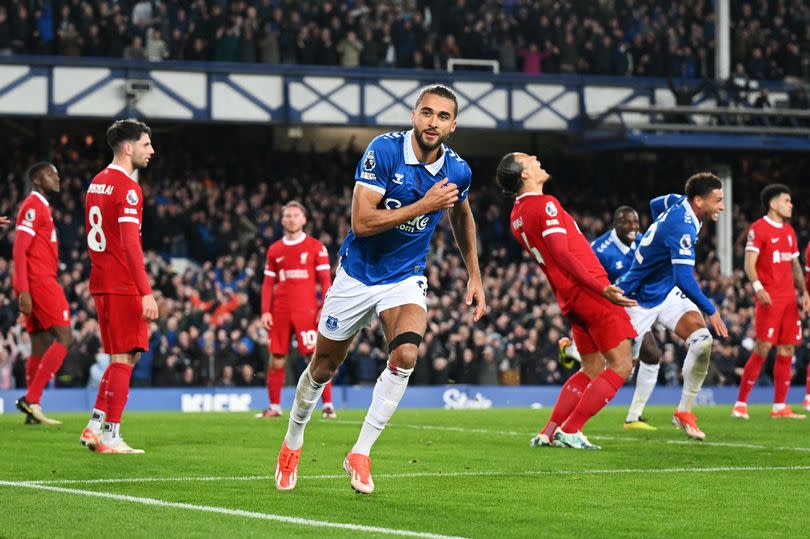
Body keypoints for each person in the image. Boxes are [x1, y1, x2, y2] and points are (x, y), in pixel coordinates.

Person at [274, 84, 486, 494]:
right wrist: (423, 206)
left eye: (443, 117)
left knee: (406, 354)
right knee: (322, 367)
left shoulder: (458, 171)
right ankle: (292, 441)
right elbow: (362, 223)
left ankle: (360, 452)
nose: (433, 122)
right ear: (413, 115)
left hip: (405, 276)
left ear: (453, 125)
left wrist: (474, 274)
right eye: (427, 113)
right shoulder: (384, 151)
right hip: (357, 274)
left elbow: (462, 216)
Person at [496, 152, 637, 450]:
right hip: (588, 292)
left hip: (569, 297)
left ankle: (549, 431)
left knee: (591, 368)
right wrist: (601, 287)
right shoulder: (545, 204)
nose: (535, 158)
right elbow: (561, 253)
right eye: (528, 159)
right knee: (622, 364)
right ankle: (571, 429)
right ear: (524, 174)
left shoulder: (517, 215)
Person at [616, 173, 729, 440]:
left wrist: (660, 239)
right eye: (718, 200)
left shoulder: (679, 202)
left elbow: (656, 204)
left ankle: (684, 412)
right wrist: (711, 310)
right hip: (638, 299)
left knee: (702, 341)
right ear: (699, 201)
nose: (723, 206)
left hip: (665, 292)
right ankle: (566, 422)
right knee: (620, 370)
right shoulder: (684, 226)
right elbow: (685, 279)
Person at [79, 119, 158, 454]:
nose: (151, 150)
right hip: (123, 284)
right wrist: (145, 292)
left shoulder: (97, 183)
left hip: (101, 281)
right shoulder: (128, 188)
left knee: (119, 357)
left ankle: (98, 428)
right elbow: (129, 245)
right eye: (145, 144)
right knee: (126, 358)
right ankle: (107, 432)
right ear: (128, 147)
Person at [558, 206, 663, 431]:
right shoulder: (600, 249)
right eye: (628, 223)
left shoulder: (642, 242)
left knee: (648, 356)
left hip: (635, 307)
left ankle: (633, 416)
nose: (634, 227)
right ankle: (571, 428)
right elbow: (585, 278)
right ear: (615, 224)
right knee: (617, 367)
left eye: (636, 222)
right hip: (607, 309)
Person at [733, 184, 809, 420]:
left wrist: (804, 292)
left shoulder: (789, 232)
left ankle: (779, 406)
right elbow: (749, 263)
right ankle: (740, 403)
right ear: (773, 203)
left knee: (787, 348)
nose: (791, 204)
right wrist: (758, 288)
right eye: (787, 200)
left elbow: (795, 265)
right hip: (769, 299)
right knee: (763, 347)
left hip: (788, 301)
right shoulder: (759, 229)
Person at [256, 201, 335, 419]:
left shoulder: (316, 247)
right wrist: (265, 311)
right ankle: (274, 407)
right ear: (282, 220)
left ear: (304, 220)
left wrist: (324, 308)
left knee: (316, 358)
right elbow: (267, 284)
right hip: (280, 311)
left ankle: (328, 405)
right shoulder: (274, 250)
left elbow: (326, 282)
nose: (291, 219)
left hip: (307, 311)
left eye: (295, 215)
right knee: (277, 358)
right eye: (287, 215)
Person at [13, 162, 74, 425]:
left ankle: (33, 411)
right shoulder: (33, 205)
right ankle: (31, 398)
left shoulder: (41, 207)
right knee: (65, 337)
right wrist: (23, 290)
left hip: (37, 282)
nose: (57, 178)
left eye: (58, 174)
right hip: (40, 282)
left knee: (39, 344)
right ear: (37, 180)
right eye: (50, 174)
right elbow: (19, 249)